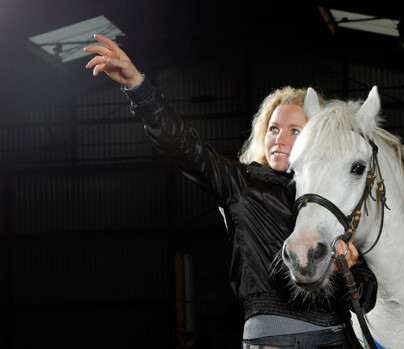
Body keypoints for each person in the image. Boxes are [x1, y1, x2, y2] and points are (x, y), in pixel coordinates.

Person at [84, 34, 377, 349]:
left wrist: (345, 271)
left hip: (337, 334)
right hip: (274, 335)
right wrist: (139, 87)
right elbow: (183, 145)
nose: (280, 138)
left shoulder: (330, 197)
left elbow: (367, 295)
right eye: (274, 128)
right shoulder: (240, 183)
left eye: (296, 131)